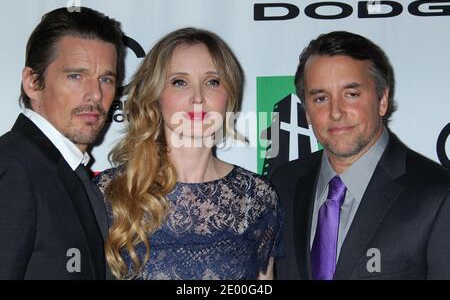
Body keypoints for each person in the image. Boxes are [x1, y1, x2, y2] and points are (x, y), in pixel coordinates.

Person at [94, 27, 283, 280]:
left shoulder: (255, 196)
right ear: (155, 95)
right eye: (179, 82)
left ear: (230, 95)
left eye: (212, 82)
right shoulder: (110, 192)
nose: (198, 98)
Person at [271, 31, 450, 280]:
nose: (336, 112)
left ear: (382, 100)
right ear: (307, 112)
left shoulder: (439, 196)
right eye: (321, 98)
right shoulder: (282, 185)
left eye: (351, 94)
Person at [0, 7, 125, 279]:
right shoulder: (12, 168)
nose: (95, 94)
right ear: (33, 83)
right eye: (75, 76)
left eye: (106, 78)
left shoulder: (69, 172)